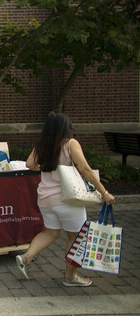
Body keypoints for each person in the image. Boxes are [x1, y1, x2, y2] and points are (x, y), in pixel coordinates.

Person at [16, 112, 115, 286]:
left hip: (45, 199)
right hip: (67, 200)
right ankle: (71, 276)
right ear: (66, 127)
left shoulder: (42, 145)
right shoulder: (70, 144)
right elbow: (84, 168)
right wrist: (104, 192)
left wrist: (46, 167)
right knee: (76, 238)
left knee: (51, 232)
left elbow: (29, 164)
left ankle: (26, 257)